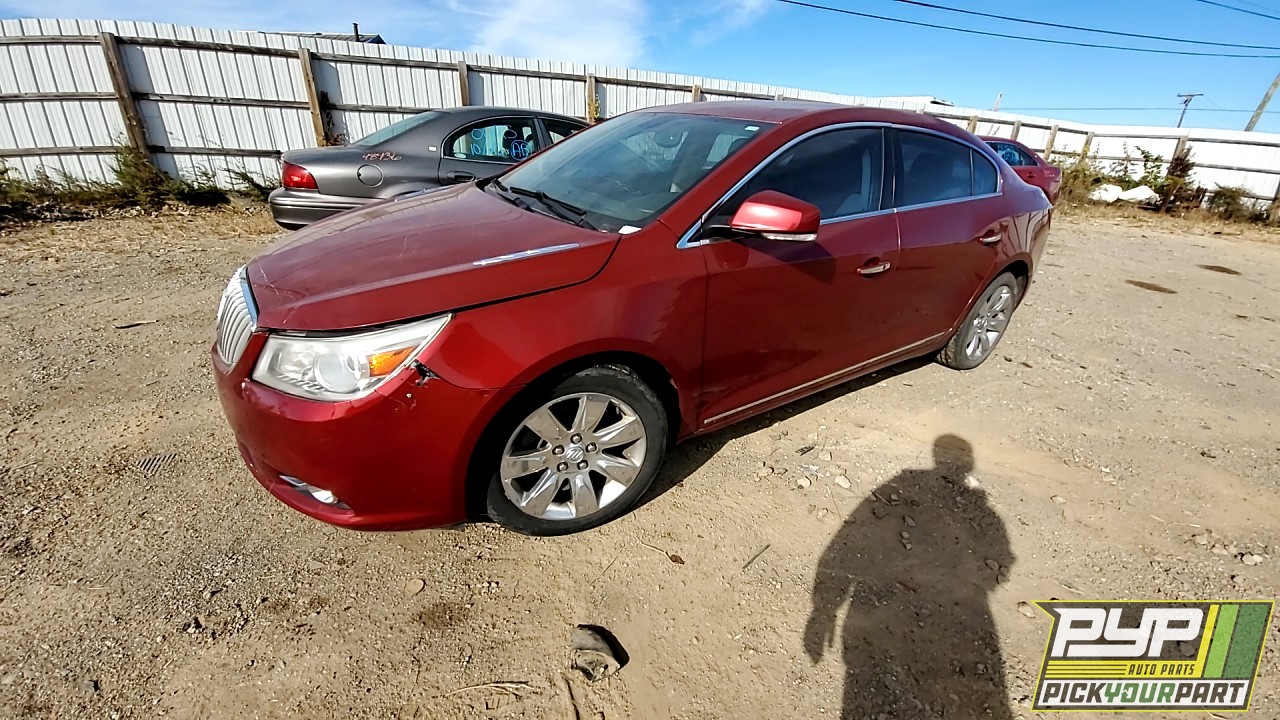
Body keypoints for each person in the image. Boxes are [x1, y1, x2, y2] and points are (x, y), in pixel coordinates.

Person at [804, 435, 1015, 719]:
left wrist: (824, 610)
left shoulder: (902, 485)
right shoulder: (979, 510)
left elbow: (846, 541)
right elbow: (1001, 564)